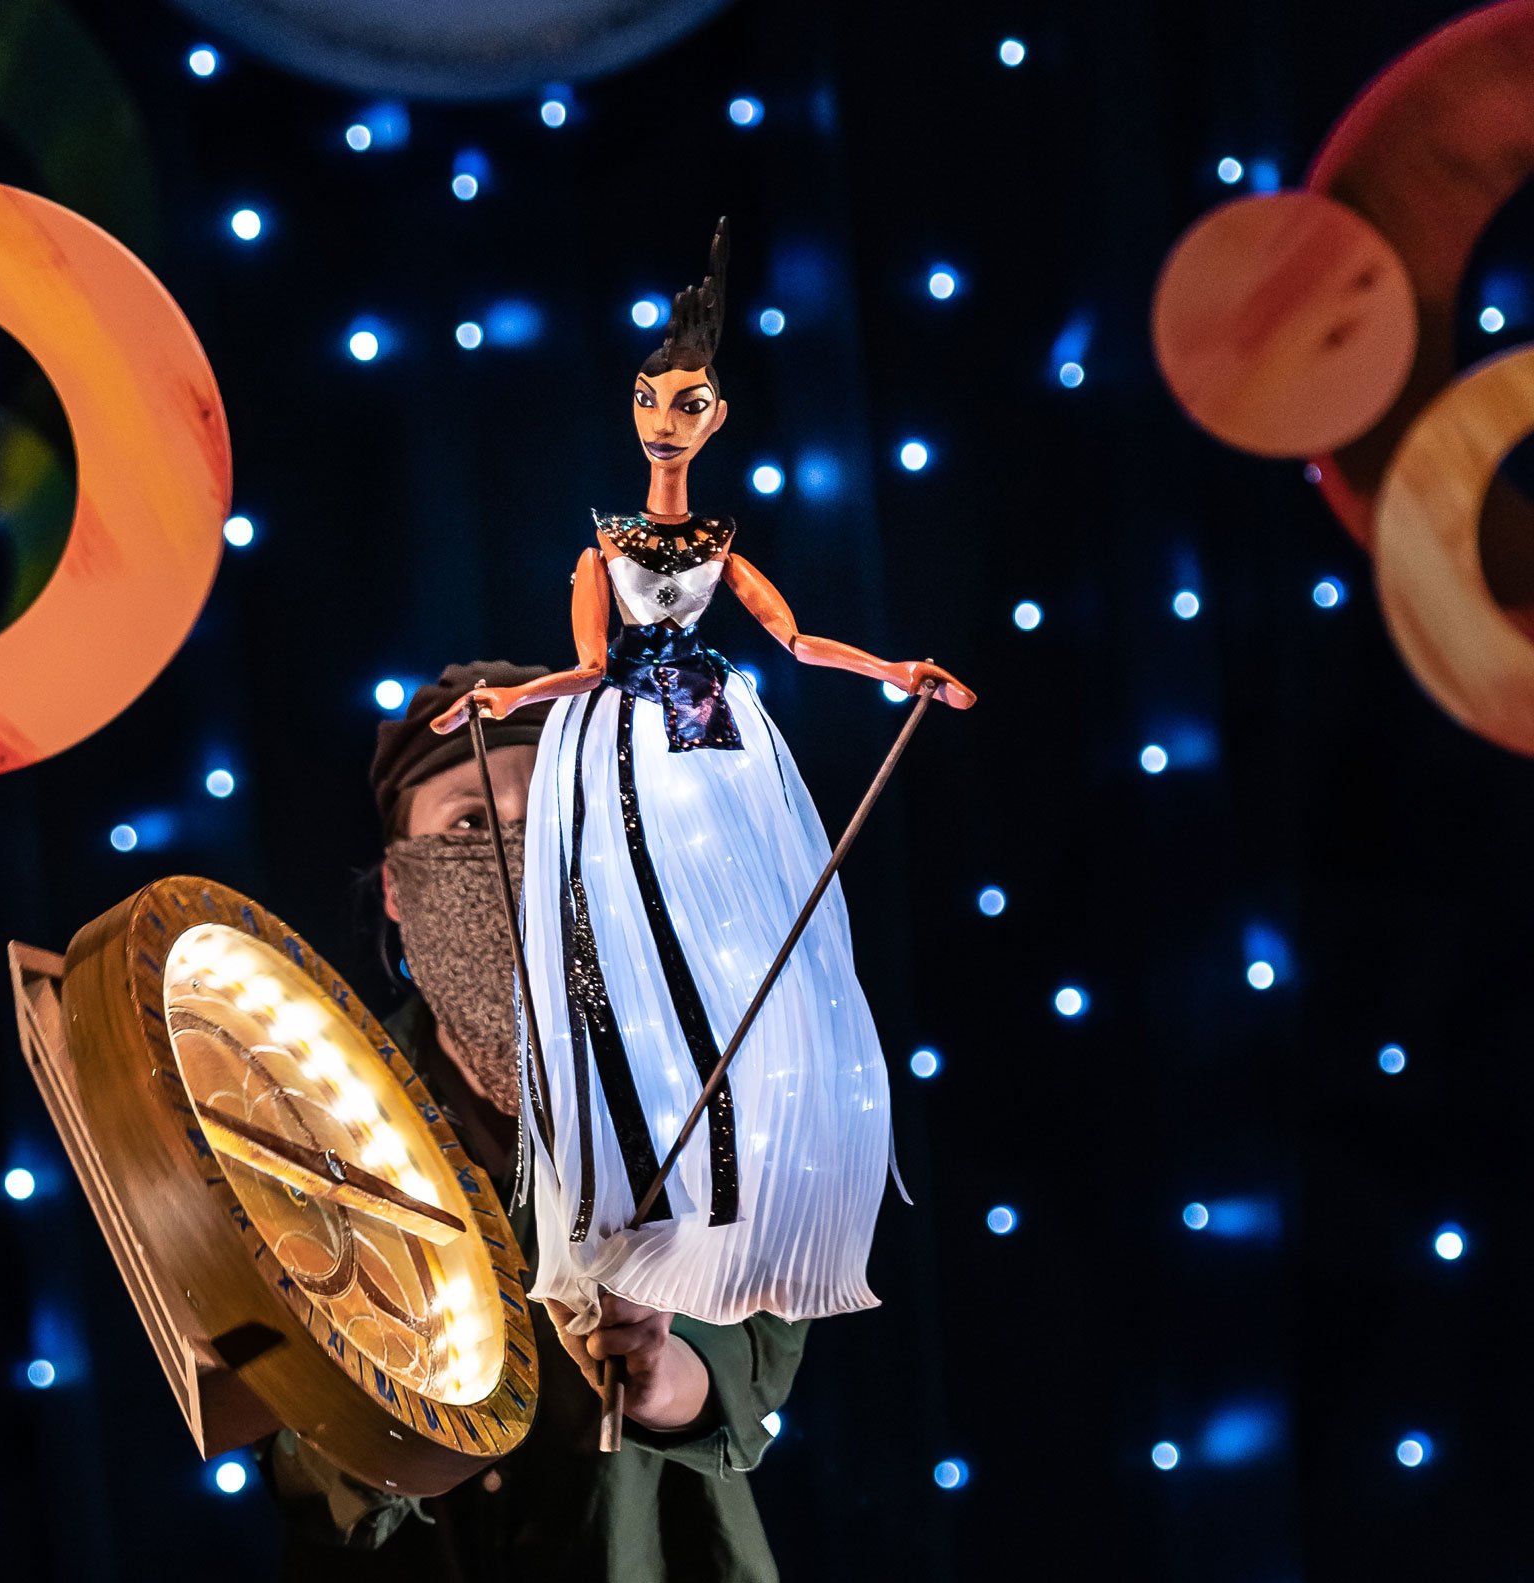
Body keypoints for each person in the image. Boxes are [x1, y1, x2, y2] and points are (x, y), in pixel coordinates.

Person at [430, 221, 973, 1332]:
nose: (664, 420)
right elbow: (584, 663)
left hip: (718, 736)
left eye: (686, 404)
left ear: (715, 417)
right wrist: (502, 700)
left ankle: (743, 1210)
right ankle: (627, 1197)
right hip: (623, 743)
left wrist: (893, 668)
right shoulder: (603, 546)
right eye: (649, 398)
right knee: (626, 942)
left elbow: (799, 642)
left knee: (737, 944)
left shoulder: (719, 545)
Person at [262, 662, 805, 1583]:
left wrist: (658, 1370)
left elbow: (746, 1378)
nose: (512, 851)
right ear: (399, 886)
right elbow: (304, 1479)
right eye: (470, 823)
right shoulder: (307, 1110)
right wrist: (371, 1404)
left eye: (551, 818)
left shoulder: (705, 1088)